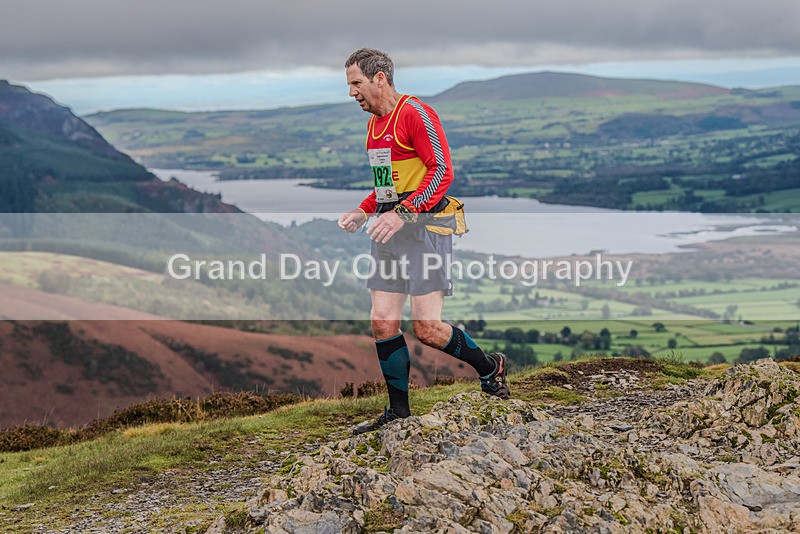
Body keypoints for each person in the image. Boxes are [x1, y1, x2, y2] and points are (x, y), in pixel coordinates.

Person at [338, 48, 510, 435]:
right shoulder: (374, 127)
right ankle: (399, 414)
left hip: (425, 228)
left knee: (427, 328)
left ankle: (490, 367)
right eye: (349, 85)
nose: (351, 93)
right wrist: (363, 211)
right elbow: (386, 188)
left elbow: (442, 172)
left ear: (379, 78)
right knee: (382, 322)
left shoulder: (415, 113)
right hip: (390, 229)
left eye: (356, 83)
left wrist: (404, 213)